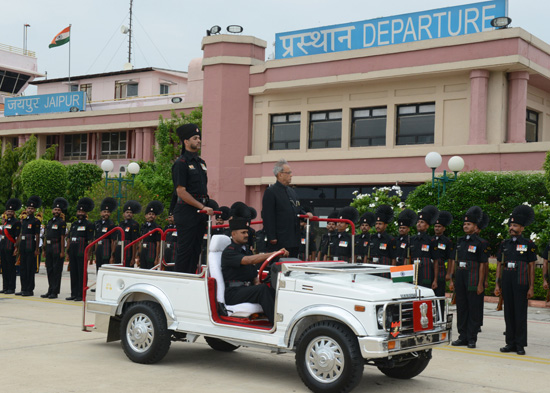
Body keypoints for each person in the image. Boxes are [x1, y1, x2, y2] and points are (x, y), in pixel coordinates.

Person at [221, 217, 289, 324]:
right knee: (262, 290)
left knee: (274, 289)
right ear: (233, 234)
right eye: (243, 232)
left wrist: (256, 280)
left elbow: (252, 271)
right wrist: (274, 253)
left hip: (245, 289)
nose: (247, 235)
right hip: (233, 293)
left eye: (247, 232)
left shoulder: (246, 250)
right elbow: (248, 261)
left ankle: (287, 319)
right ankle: (277, 324)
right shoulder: (229, 252)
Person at [171, 123, 214, 273]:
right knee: (185, 252)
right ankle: (180, 282)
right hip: (187, 212)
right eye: (195, 138)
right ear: (186, 141)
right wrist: (202, 207)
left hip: (200, 213)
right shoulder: (181, 163)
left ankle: (191, 280)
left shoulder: (201, 163)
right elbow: (181, 191)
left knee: (196, 251)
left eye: (199, 138)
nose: (199, 141)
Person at [495, 205, 537, 356]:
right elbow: (499, 265)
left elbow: (532, 266)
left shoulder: (529, 244)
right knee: (509, 313)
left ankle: (520, 344)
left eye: (515, 225)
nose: (512, 228)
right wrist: (497, 284)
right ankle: (510, 343)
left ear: (522, 228)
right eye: (511, 225)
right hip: (507, 281)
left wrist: (531, 287)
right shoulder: (504, 244)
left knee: (520, 314)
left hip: (521, 282)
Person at [450, 206, 489, 349]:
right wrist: (453, 280)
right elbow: (455, 261)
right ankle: (462, 336)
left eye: (469, 224)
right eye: (465, 224)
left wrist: (480, 283)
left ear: (475, 226)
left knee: (473, 309)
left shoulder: (481, 243)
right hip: (460, 277)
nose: (465, 226)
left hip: (473, 279)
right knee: (461, 308)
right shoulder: (460, 241)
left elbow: (482, 264)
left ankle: (472, 338)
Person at [261, 159, 312, 258]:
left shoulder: (292, 191)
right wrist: (272, 236)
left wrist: (306, 214)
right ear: (280, 174)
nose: (291, 175)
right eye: (288, 173)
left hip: (294, 237)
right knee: (279, 265)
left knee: (293, 263)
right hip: (280, 238)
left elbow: (297, 208)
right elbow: (268, 216)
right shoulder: (271, 192)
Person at [66, 198, 95, 301]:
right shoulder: (74, 224)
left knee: (81, 273)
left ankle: (81, 295)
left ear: (85, 213)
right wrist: (68, 252)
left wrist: (89, 254)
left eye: (82, 211)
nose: (80, 213)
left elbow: (91, 241)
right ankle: (73, 293)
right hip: (73, 251)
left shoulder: (89, 225)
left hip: (82, 252)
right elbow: (69, 238)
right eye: (79, 211)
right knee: (73, 273)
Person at [41, 197, 68, 299]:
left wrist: (62, 251)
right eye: (55, 209)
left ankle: (55, 291)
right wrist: (44, 249)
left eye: (58, 210)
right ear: (52, 210)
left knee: (57, 270)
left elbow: (62, 237)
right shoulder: (49, 222)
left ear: (61, 212)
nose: (56, 211)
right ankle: (50, 289)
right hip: (49, 247)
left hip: (57, 247)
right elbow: (46, 235)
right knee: (50, 269)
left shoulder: (61, 223)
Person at [16, 196, 42, 297]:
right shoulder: (24, 221)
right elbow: (21, 234)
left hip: (31, 247)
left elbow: (37, 235)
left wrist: (36, 249)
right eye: (28, 208)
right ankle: (23, 288)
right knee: (22, 268)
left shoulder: (36, 221)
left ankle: (29, 289)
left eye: (32, 208)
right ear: (26, 209)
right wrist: (18, 248)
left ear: (34, 210)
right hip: (23, 247)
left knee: (29, 269)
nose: (29, 210)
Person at [410, 205, 440, 289]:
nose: (419, 224)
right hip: (413, 272)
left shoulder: (431, 241)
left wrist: (435, 280)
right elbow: (407, 258)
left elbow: (436, 261)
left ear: (427, 226)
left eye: (422, 222)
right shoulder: (411, 239)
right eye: (418, 222)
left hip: (426, 273)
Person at [432, 210, 454, 309]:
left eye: (439, 226)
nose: (437, 228)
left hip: (441, 269)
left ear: (444, 228)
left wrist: (449, 273)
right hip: (430, 270)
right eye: (435, 226)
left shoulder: (447, 241)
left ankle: (440, 317)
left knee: (439, 295)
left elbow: (450, 259)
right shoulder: (430, 240)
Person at [0, 198, 22, 294]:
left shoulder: (16, 222)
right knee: (4, 268)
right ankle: (5, 287)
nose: (9, 212)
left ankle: (11, 288)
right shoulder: (5, 222)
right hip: (3, 247)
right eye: (8, 211)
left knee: (11, 268)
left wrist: (16, 248)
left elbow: (18, 236)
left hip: (10, 247)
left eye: (11, 211)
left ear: (14, 212)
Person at [93, 197, 117, 277]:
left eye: (108, 212)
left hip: (106, 248)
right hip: (99, 248)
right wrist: (95, 253)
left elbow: (113, 241)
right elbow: (96, 239)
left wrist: (112, 255)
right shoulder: (97, 224)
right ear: (101, 213)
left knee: (105, 268)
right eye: (104, 211)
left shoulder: (111, 224)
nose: (106, 213)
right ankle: (98, 286)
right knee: (98, 268)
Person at [115, 200, 141, 267]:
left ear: (132, 214)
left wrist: (133, 258)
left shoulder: (134, 224)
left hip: (128, 250)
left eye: (130, 212)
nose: (128, 214)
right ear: (123, 214)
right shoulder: (121, 224)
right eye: (127, 212)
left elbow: (134, 242)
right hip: (119, 249)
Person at [139, 201, 163, 270]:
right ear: (146, 216)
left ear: (155, 216)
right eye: (149, 214)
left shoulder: (157, 227)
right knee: (142, 269)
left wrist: (157, 258)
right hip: (143, 251)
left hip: (151, 251)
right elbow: (140, 241)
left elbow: (158, 244)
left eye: (153, 214)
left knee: (151, 269)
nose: (151, 216)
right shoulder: (144, 226)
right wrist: (138, 255)